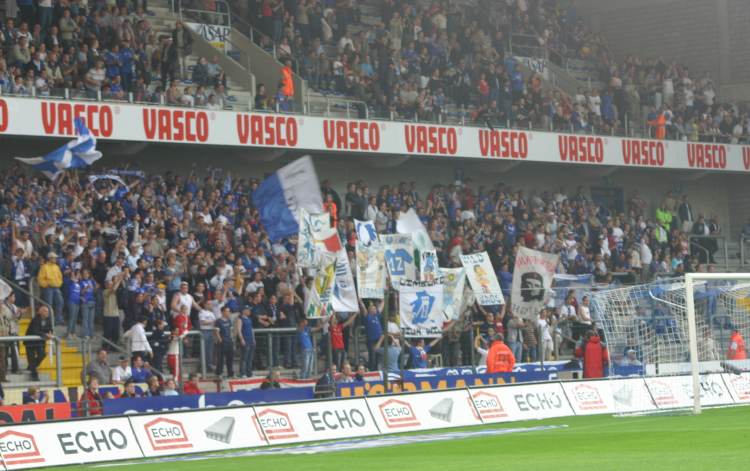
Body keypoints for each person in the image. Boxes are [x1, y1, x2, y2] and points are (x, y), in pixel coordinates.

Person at [25, 305, 53, 381]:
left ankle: (31, 367)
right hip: (30, 342)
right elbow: (35, 331)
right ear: (40, 312)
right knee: (31, 358)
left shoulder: (48, 320)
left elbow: (50, 329)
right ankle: (35, 376)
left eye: (47, 311)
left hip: (40, 342)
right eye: (45, 311)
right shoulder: (35, 319)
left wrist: (50, 333)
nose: (47, 313)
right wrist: (45, 334)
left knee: (42, 354)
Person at [38, 252, 63, 324]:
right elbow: (40, 279)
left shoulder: (56, 267)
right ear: (50, 258)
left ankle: (58, 319)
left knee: (60, 302)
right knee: (49, 304)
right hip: (48, 288)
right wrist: (47, 284)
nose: (55, 259)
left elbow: (60, 277)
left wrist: (58, 284)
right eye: (54, 257)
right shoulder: (44, 267)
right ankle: (49, 320)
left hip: (56, 287)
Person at [214, 306, 235, 378]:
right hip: (222, 342)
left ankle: (230, 374)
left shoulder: (229, 320)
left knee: (230, 358)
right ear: (222, 312)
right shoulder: (218, 321)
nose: (228, 313)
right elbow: (216, 332)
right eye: (227, 311)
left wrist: (232, 339)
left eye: (229, 311)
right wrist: (220, 340)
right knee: (220, 359)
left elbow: (231, 330)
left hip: (229, 342)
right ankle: (219, 373)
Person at [236, 306, 255, 378]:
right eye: (248, 310)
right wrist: (242, 339)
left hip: (250, 339)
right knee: (244, 357)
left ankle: (249, 372)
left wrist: (253, 339)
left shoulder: (249, 319)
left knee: (250, 358)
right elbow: (239, 330)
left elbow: (252, 329)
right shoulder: (240, 319)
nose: (249, 311)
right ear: (244, 311)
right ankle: (242, 372)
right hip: (245, 339)